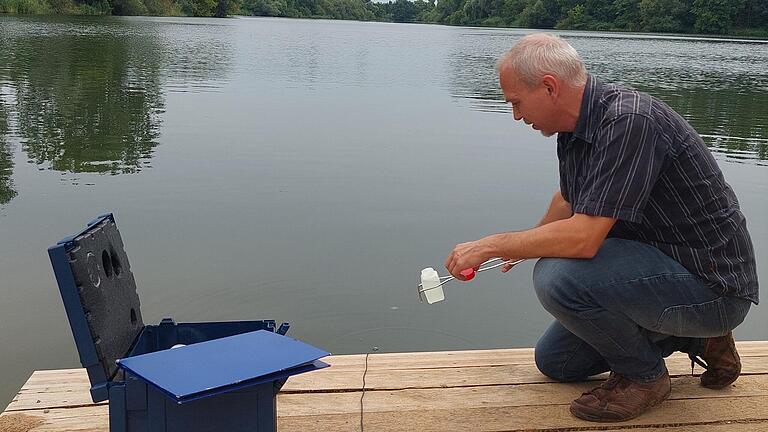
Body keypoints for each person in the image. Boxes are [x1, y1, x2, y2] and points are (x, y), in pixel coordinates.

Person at [444, 33, 758, 422]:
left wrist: (492, 244)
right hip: (662, 272)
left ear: (549, 87)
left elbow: (584, 238)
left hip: (712, 288)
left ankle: (646, 377)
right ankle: (691, 335)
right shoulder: (575, 128)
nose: (516, 115)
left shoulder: (629, 122)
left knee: (557, 275)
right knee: (557, 362)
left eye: (516, 103)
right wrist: (521, 245)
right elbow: (570, 199)